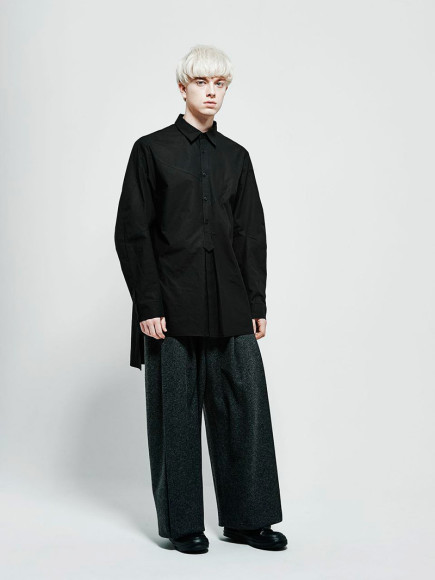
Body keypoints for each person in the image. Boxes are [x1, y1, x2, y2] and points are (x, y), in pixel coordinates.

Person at [114, 44, 287, 554]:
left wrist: (256, 302)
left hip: (231, 305)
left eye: (220, 84)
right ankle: (183, 523)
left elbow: (250, 233)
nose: (212, 92)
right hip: (170, 308)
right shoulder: (151, 150)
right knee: (176, 418)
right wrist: (148, 304)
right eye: (202, 82)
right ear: (182, 87)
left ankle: (248, 520)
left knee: (245, 413)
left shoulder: (237, 157)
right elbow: (133, 232)